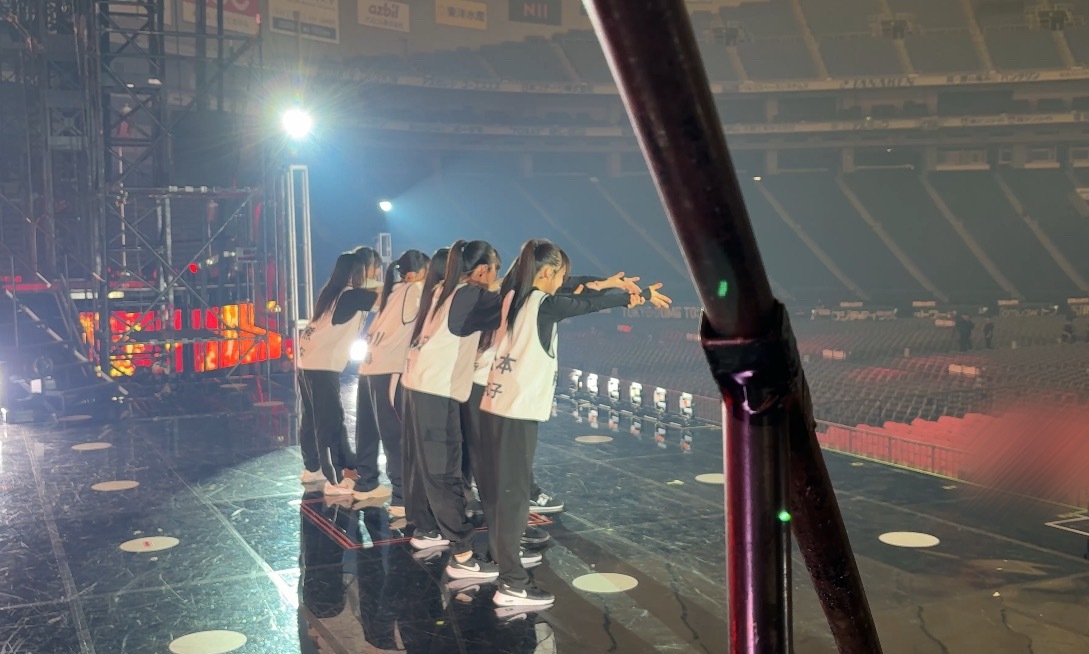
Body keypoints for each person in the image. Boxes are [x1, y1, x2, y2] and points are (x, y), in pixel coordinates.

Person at [478, 240, 671, 607]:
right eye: (560, 276)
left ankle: (501, 560)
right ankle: (512, 583)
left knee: (502, 492)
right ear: (546, 273)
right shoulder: (543, 304)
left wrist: (603, 283)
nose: (562, 282)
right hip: (517, 409)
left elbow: (573, 289)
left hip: (496, 404)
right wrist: (635, 296)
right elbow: (585, 304)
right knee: (515, 498)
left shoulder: (513, 294)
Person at [400, 240, 506, 580]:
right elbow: (514, 305)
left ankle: (427, 528)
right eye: (495, 270)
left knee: (426, 468)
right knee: (444, 473)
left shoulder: (442, 292)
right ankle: (462, 556)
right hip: (436, 393)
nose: (496, 277)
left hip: (417, 387)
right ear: (482, 270)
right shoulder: (468, 296)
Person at [353, 249, 434, 514]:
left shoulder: (391, 291)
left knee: (367, 430)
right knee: (395, 434)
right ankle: (402, 497)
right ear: (415, 274)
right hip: (389, 370)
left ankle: (366, 482)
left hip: (369, 367)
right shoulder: (414, 290)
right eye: (428, 272)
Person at [298, 248, 381, 496]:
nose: (375, 273)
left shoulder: (332, 292)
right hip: (322, 366)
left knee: (312, 419)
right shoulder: (351, 296)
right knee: (329, 423)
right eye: (371, 269)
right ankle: (335, 480)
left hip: (308, 362)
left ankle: (312, 468)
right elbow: (387, 300)